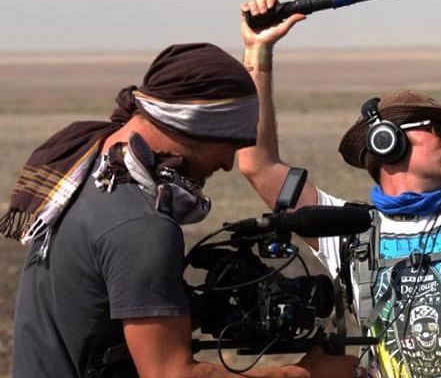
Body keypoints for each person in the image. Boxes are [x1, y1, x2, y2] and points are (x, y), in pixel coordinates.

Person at [232, 0, 441, 375]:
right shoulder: (347, 233)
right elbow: (257, 163)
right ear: (387, 142)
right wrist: (258, 52)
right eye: (437, 130)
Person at [7, 43, 359, 377]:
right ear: (195, 124)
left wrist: (201, 308)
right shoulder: (140, 225)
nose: (227, 163)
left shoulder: (87, 175)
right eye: (230, 142)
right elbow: (170, 373)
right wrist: (304, 374)